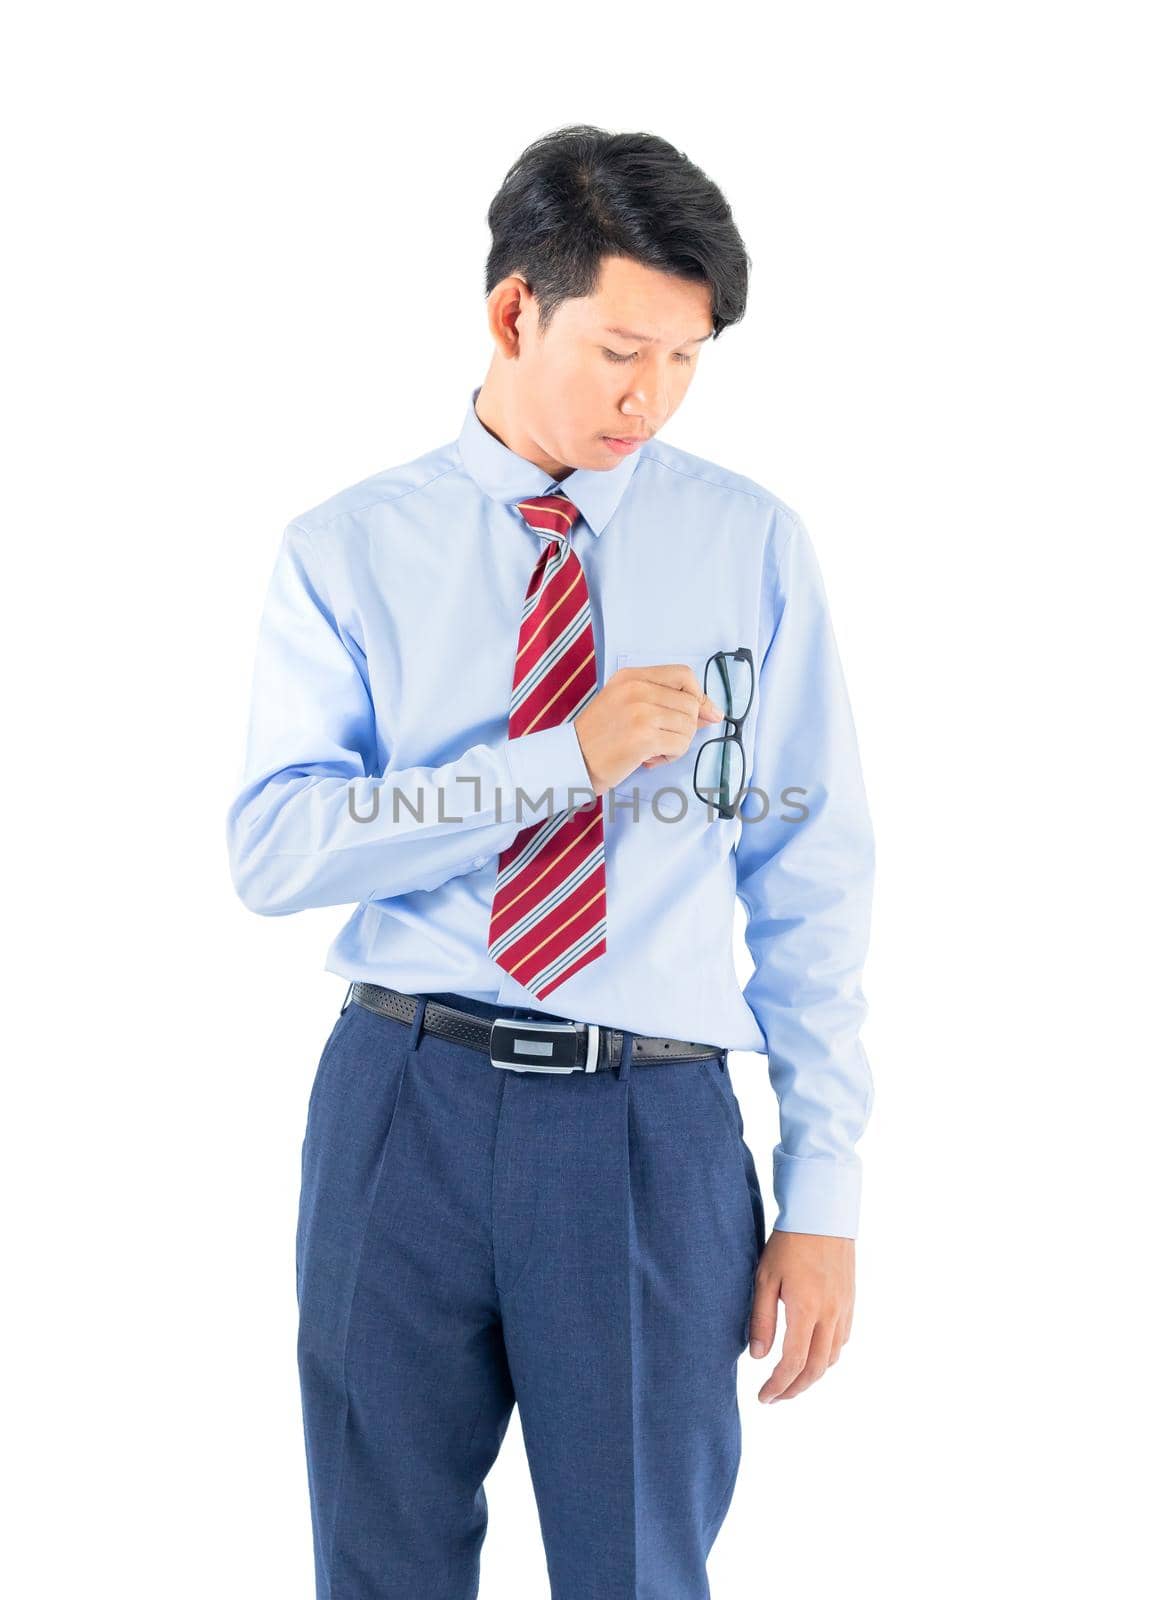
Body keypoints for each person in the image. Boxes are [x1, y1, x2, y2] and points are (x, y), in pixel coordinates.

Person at [226, 123, 875, 1600]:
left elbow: (808, 868)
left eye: (689, 361)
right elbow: (274, 847)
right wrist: (555, 766)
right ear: (514, 311)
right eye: (620, 351)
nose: (650, 398)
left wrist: (823, 1188)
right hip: (404, 1103)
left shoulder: (748, 547)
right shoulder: (348, 548)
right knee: (378, 1563)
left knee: (638, 1569)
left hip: (650, 1128)